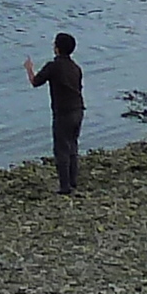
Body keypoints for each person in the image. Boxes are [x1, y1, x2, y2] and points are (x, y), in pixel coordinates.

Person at [29, 32, 87, 194]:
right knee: (72, 146)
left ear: (57, 48)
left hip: (64, 112)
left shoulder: (53, 66)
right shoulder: (76, 67)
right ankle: (73, 181)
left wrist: (29, 69)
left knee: (61, 148)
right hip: (78, 109)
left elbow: (35, 82)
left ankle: (64, 186)